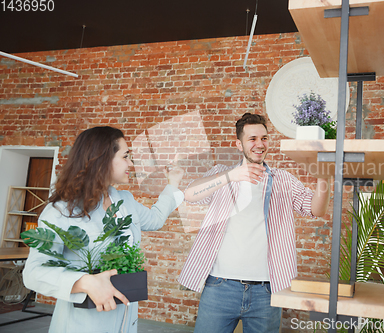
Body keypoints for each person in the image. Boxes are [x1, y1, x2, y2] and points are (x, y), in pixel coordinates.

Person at [178, 113, 330, 332]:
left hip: (266, 292)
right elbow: (190, 194)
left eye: (264, 138)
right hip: (219, 287)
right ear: (238, 144)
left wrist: (324, 177)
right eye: (252, 139)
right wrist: (232, 175)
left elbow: (316, 209)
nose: (260, 144)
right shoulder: (222, 174)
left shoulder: (283, 180)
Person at [23, 126, 184, 333]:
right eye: (125, 156)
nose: (130, 163)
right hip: (82, 324)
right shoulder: (61, 211)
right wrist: (85, 283)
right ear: (102, 160)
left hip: (125, 319)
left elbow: (155, 219)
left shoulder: (125, 200)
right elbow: (34, 273)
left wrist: (173, 182)